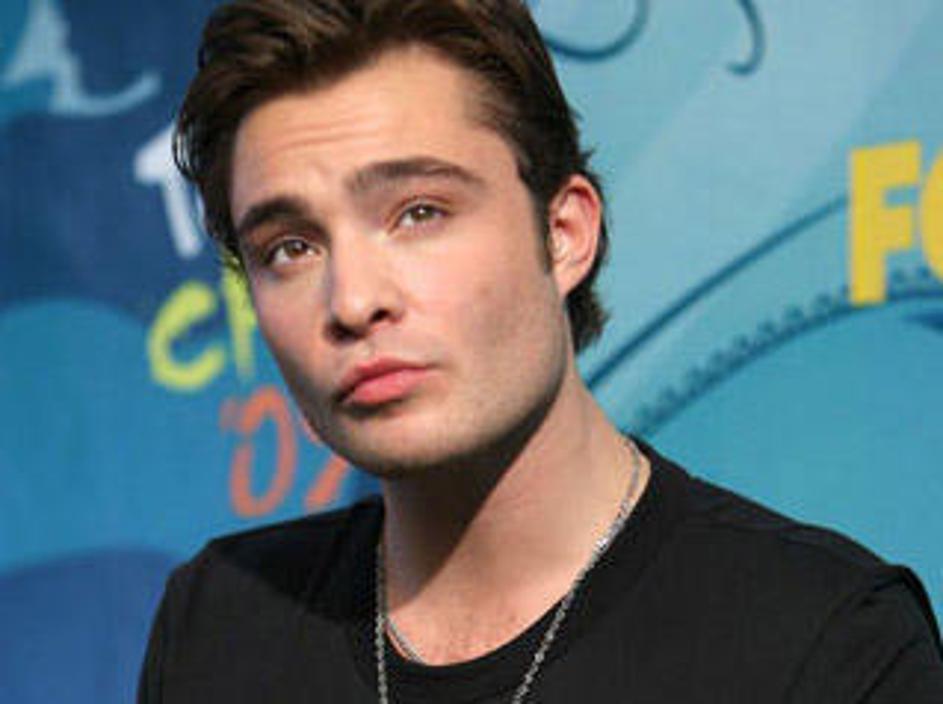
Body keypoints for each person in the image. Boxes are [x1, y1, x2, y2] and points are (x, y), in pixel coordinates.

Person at [138, 1, 943, 701]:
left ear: (563, 234)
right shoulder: (219, 624)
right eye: (289, 248)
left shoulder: (822, 639)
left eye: (418, 212)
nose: (351, 301)